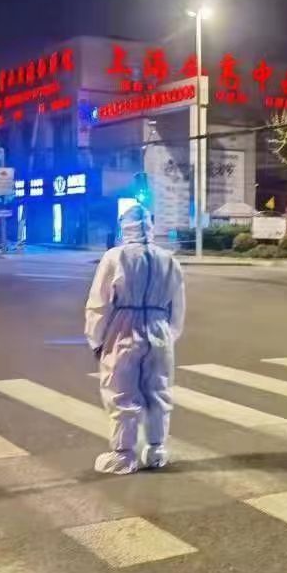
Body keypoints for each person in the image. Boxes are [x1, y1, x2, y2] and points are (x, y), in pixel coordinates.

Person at [83, 202, 186, 474]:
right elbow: (178, 309)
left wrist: (96, 340)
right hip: (159, 330)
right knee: (158, 392)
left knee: (121, 393)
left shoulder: (115, 257)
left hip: (124, 329)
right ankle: (156, 450)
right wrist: (168, 336)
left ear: (124, 227)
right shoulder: (169, 260)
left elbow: (99, 303)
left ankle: (123, 454)